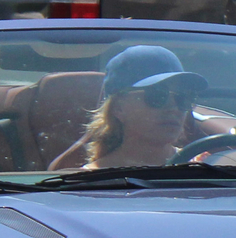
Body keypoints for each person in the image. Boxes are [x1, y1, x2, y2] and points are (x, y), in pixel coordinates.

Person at [57, 44, 217, 171]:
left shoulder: (206, 168)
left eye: (183, 98)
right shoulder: (85, 183)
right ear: (118, 107)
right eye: (157, 95)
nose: (174, 108)